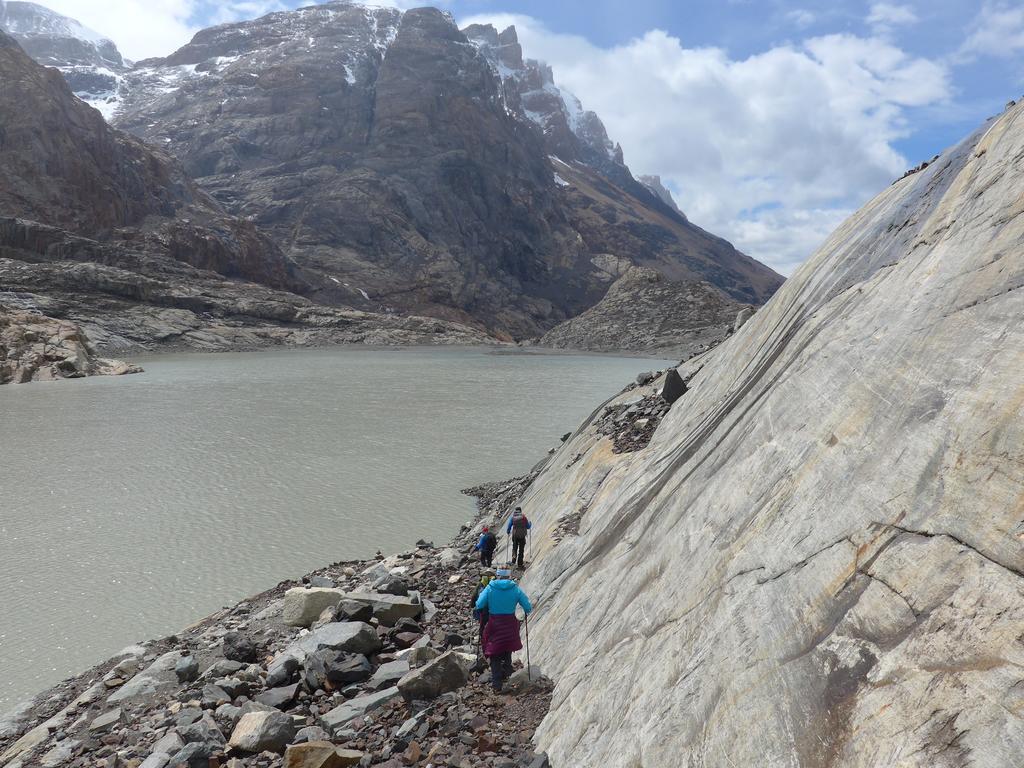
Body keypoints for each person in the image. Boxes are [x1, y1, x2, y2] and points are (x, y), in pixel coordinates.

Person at [475, 567, 532, 693]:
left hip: (495, 623)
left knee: (494, 652)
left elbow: (479, 604)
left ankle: (497, 685)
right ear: (509, 576)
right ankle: (508, 674)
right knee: (507, 647)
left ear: (498, 576)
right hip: (510, 623)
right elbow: (528, 606)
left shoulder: (490, 588)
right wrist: (526, 611)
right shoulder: (515, 589)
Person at [470, 568, 495, 642]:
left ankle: (482, 637)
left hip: (482, 608)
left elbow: (474, 595)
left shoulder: (481, 584)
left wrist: (472, 605)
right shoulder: (494, 583)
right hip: (493, 608)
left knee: (482, 623)